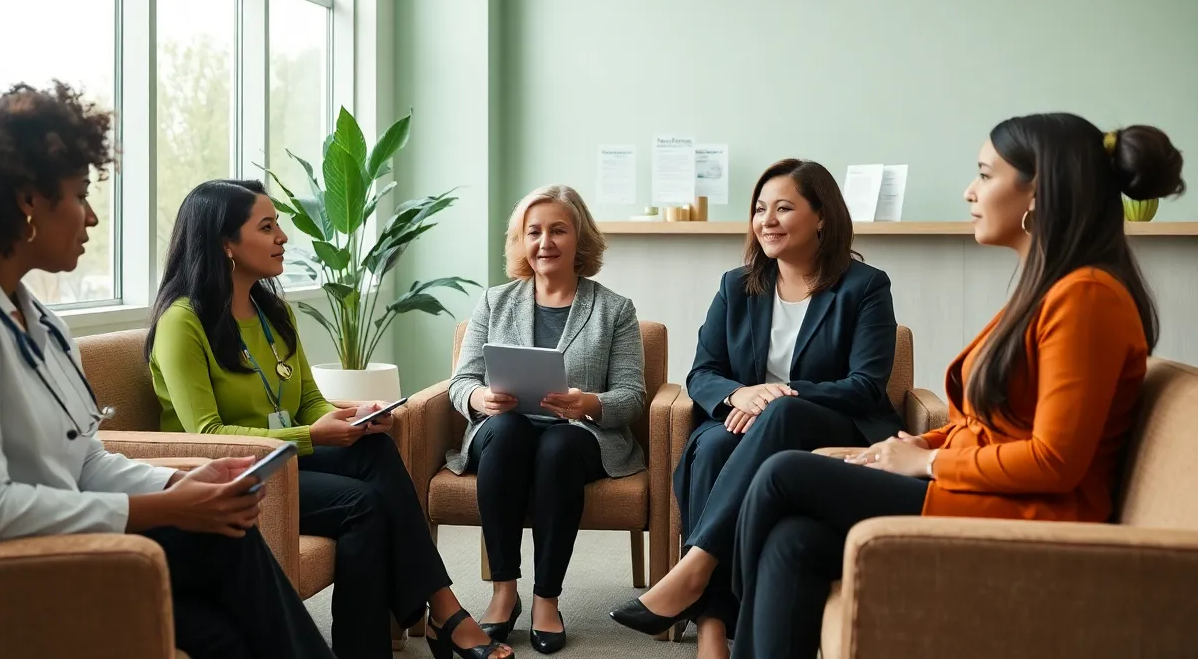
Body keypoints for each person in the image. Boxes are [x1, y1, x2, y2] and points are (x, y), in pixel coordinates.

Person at [653, 114, 1181, 659]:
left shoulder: (1085, 297)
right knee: (794, 541)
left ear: (1039, 192)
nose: (970, 191)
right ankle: (710, 600)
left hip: (1029, 512)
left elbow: (1055, 462)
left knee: (784, 474)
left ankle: (698, 579)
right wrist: (905, 447)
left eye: (984, 174)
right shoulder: (1047, 291)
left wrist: (926, 463)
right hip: (983, 487)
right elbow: (988, 427)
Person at [0, 83, 333, 659]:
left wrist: (181, 482)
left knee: (225, 581)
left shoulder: (37, 319)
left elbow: (85, 459)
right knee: (220, 572)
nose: (93, 217)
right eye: (80, 195)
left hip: (47, 551)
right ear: (27, 200)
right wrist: (168, 506)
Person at [147, 179, 512, 659]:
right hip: (229, 475)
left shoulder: (271, 312)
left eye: (278, 224)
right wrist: (309, 434)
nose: (283, 237)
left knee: (374, 446)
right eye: (267, 226)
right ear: (226, 243)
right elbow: (206, 435)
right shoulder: (183, 322)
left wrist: (350, 416)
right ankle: (432, 617)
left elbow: (308, 404)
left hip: (284, 459)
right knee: (362, 503)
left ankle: (437, 612)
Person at [611, 159, 899, 656]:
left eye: (784, 207)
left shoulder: (865, 287)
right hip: (742, 424)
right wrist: (739, 394)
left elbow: (866, 385)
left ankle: (693, 570)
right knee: (717, 444)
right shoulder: (736, 286)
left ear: (822, 217)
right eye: (760, 209)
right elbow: (703, 372)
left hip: (828, 426)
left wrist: (780, 393)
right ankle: (712, 633)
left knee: (782, 412)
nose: (767, 219)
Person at [447, 184, 648, 655]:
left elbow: (632, 397)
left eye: (558, 230)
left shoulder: (615, 309)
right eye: (533, 232)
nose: (545, 242)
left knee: (558, 447)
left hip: (578, 437)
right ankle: (503, 591)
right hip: (504, 430)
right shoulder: (495, 302)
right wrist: (480, 398)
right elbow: (461, 382)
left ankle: (546, 598)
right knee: (509, 430)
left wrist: (588, 404)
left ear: (580, 238)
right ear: (521, 241)